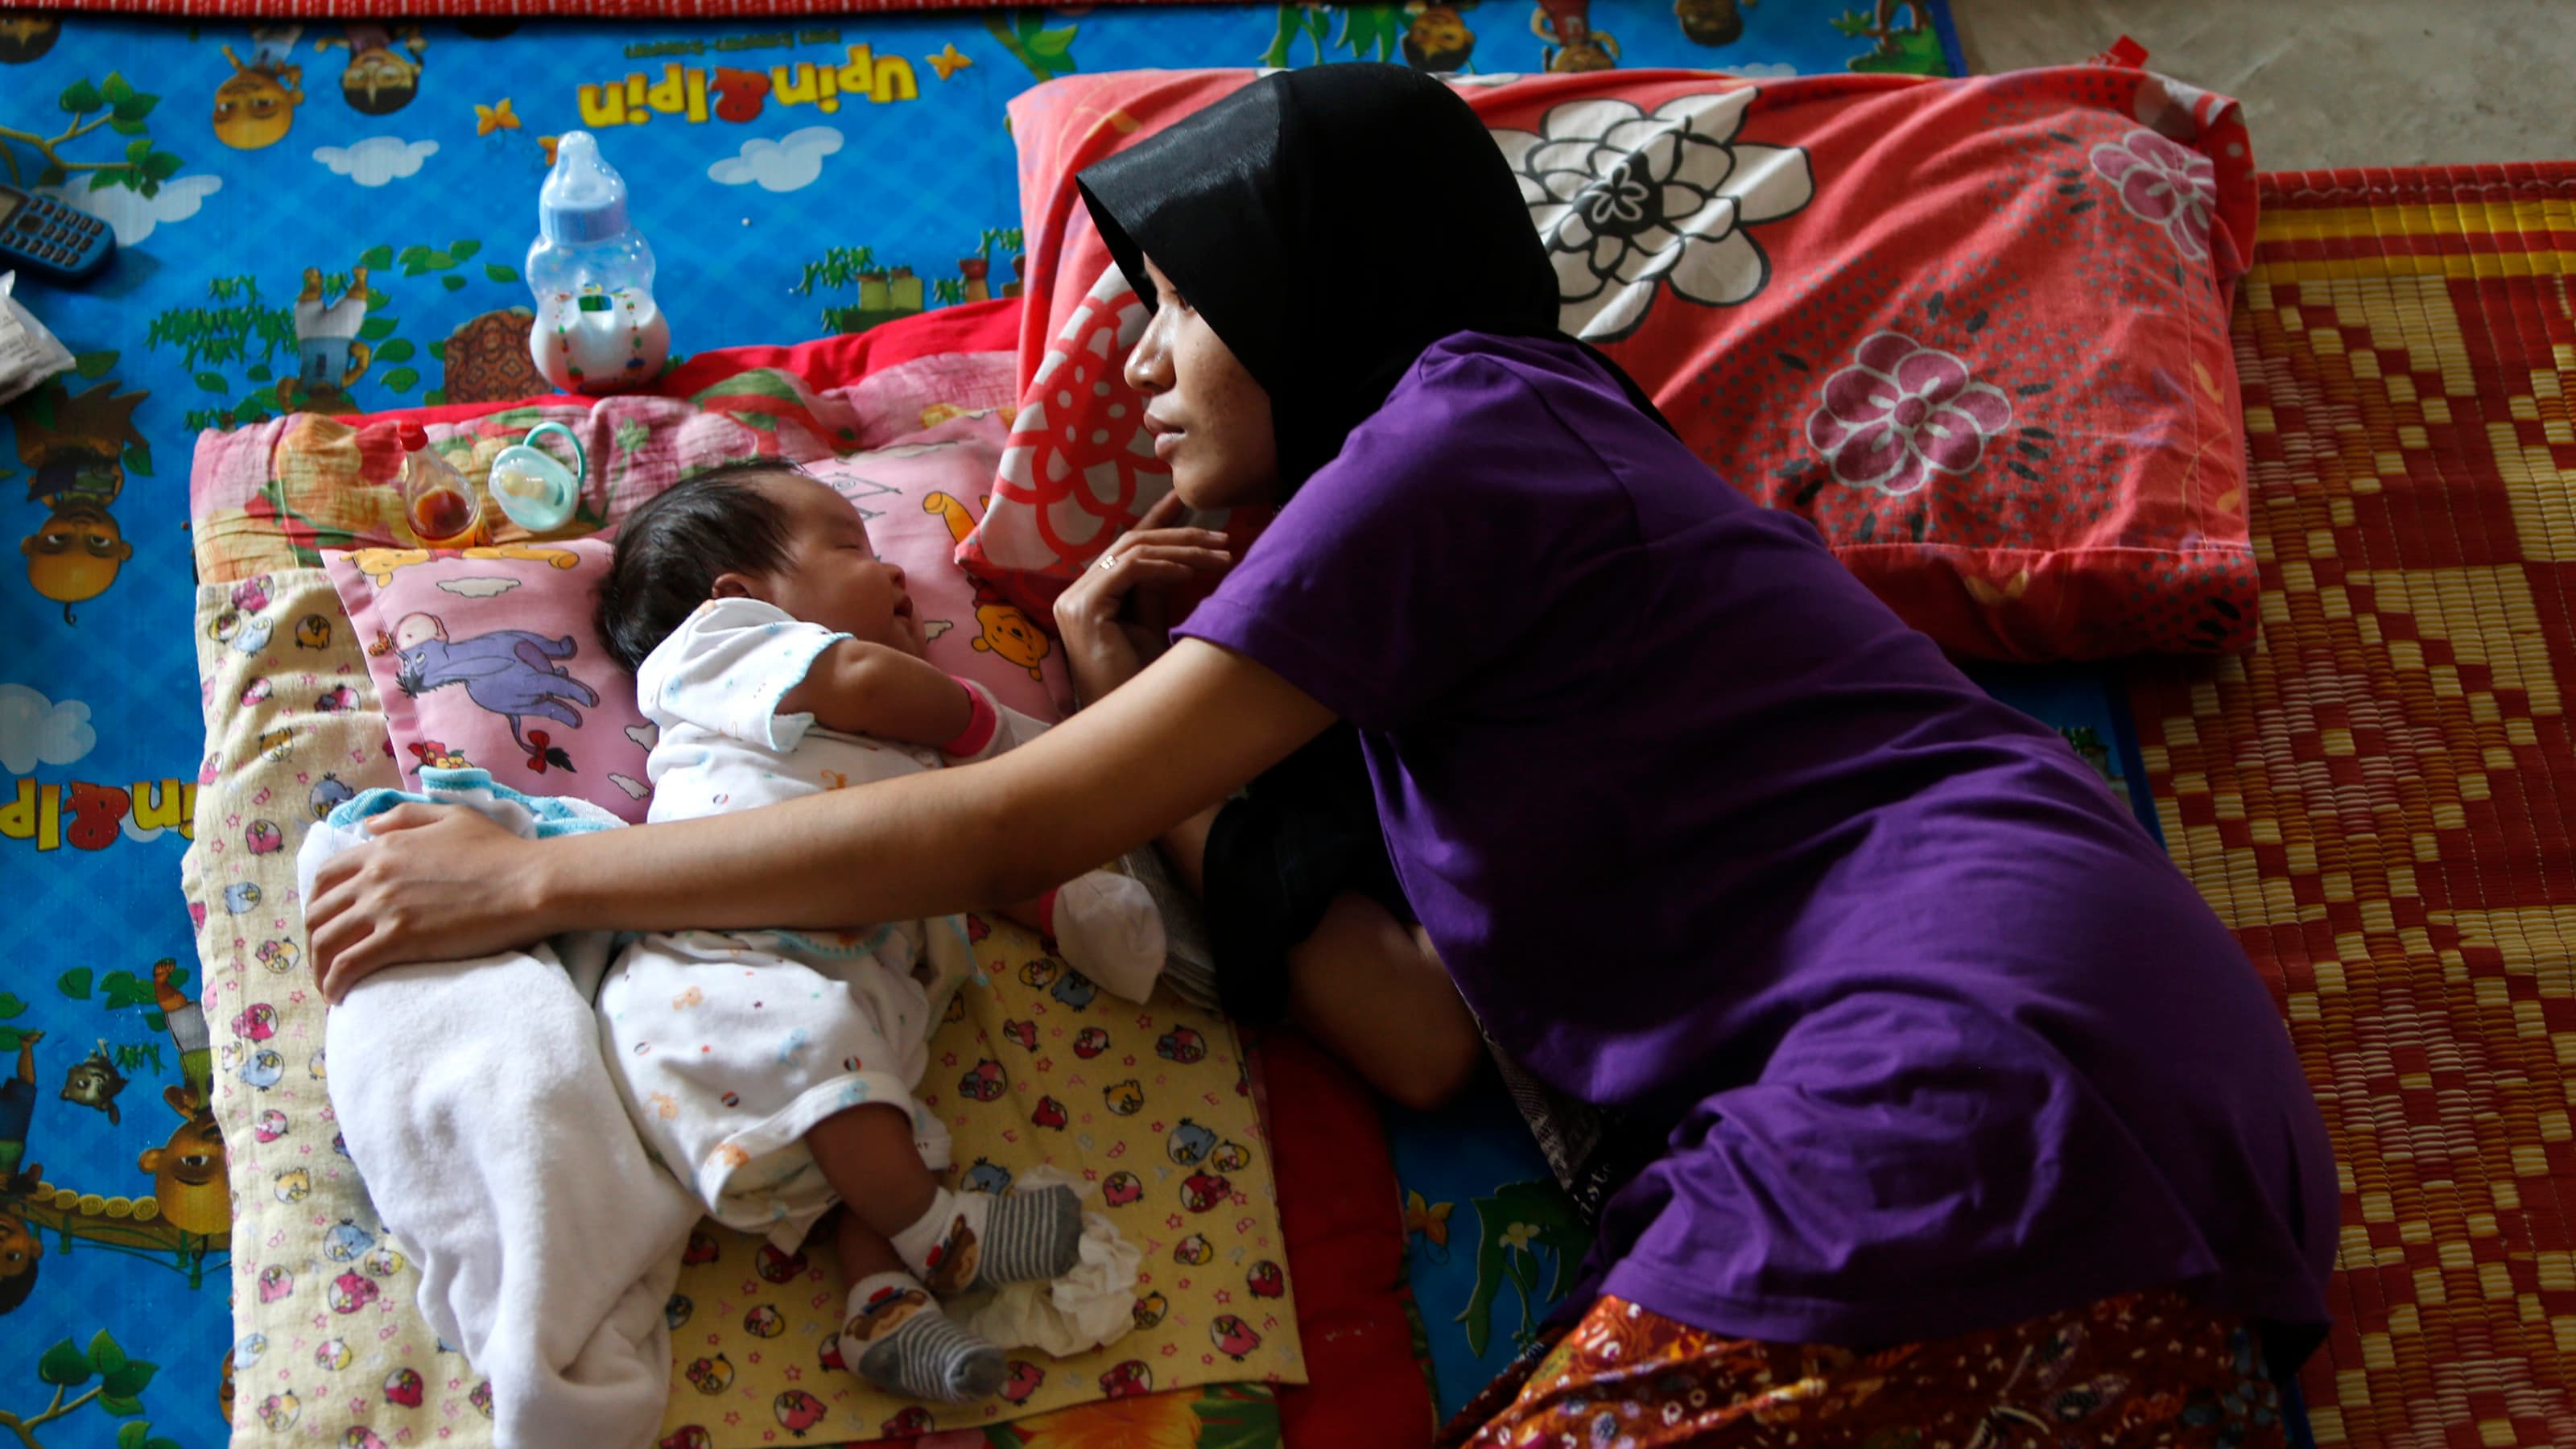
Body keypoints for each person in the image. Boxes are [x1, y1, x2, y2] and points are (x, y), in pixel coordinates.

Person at [308, 64, 2336, 1445]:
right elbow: (1416, 1036)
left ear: (1318, 294)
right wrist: (1126, 686)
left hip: (1986, 1050)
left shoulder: (1470, 425)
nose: (1136, 366)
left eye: (1179, 305)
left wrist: (533, 875)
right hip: (2119, 1128)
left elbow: (1009, 821)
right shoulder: (1410, 653)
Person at [591, 461, 1166, 1402]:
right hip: (725, 970)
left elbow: (967, 848)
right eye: (851, 547)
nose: (898, 570)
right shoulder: (713, 651)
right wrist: (985, 726)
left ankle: (881, 1306)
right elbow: (859, 678)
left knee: (889, 1117)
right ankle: (944, 1237)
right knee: (833, 1064)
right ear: (741, 595)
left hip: (836, 982)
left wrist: (1072, 908)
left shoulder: (892, 751)